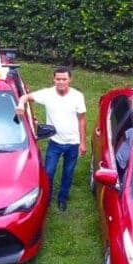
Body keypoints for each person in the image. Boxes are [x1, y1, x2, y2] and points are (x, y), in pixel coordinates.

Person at [16, 66, 86, 211]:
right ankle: (46, 198)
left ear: (70, 80)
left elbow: (82, 120)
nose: (61, 82)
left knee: (68, 172)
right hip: (54, 142)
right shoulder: (47, 94)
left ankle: (62, 198)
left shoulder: (77, 96)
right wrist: (21, 105)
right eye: (58, 79)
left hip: (73, 143)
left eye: (64, 79)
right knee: (48, 172)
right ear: (53, 79)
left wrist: (83, 143)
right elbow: (25, 97)